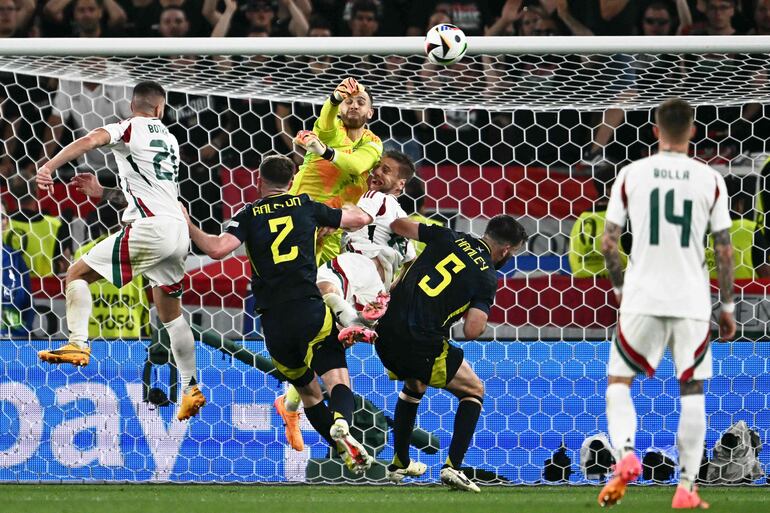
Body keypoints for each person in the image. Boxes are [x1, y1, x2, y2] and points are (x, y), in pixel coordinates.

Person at [184, 155, 377, 474]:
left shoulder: (247, 214)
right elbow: (356, 221)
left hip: (272, 321)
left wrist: (188, 222)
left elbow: (217, 249)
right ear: (291, 182)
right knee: (337, 376)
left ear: (260, 181)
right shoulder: (305, 204)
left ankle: (340, 448)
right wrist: (364, 207)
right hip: (309, 308)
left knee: (308, 393)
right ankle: (342, 423)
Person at [35, 81, 205, 422]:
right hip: (177, 231)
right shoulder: (169, 139)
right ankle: (190, 388)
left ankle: (78, 343)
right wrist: (105, 191)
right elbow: (147, 186)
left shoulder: (126, 128)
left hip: (151, 228)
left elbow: (88, 141)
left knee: (75, 274)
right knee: (171, 316)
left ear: (133, 106)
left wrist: (49, 166)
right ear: (161, 108)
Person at [599, 98, 736, 509]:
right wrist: (727, 307)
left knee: (619, 382)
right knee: (691, 389)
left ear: (655, 131)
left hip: (641, 294)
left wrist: (622, 290)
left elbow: (608, 243)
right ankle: (686, 488)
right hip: (691, 298)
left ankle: (625, 454)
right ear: (692, 131)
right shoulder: (710, 179)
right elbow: (725, 252)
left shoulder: (631, 174)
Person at [275, 151, 417, 452]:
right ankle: (289, 402)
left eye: (386, 170)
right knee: (326, 344)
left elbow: (358, 216)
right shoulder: (405, 226)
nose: (377, 173)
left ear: (400, 184)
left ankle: (349, 321)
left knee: (323, 285)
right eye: (376, 167)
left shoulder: (379, 199)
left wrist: (328, 218)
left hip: (360, 269)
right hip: (370, 289)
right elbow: (408, 267)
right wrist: (385, 297)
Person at [375, 215, 528, 490]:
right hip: (419, 341)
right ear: (506, 250)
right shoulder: (487, 276)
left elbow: (398, 226)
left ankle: (399, 462)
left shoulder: (447, 235)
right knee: (474, 390)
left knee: (415, 383)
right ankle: (453, 467)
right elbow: (472, 330)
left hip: (384, 332)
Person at [291, 77, 384, 264]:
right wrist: (334, 99)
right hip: (299, 217)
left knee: (327, 288)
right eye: (348, 101)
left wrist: (324, 151)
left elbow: (357, 165)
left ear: (370, 112)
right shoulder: (329, 132)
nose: (354, 106)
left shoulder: (373, 142)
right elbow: (326, 121)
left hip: (333, 230)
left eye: (361, 102)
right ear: (340, 110)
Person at [5, 175, 72, 277]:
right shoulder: (54, 225)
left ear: (11, 195)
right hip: (43, 289)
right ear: (36, 193)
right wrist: (54, 267)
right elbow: (67, 263)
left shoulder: (3, 224)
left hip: (9, 287)